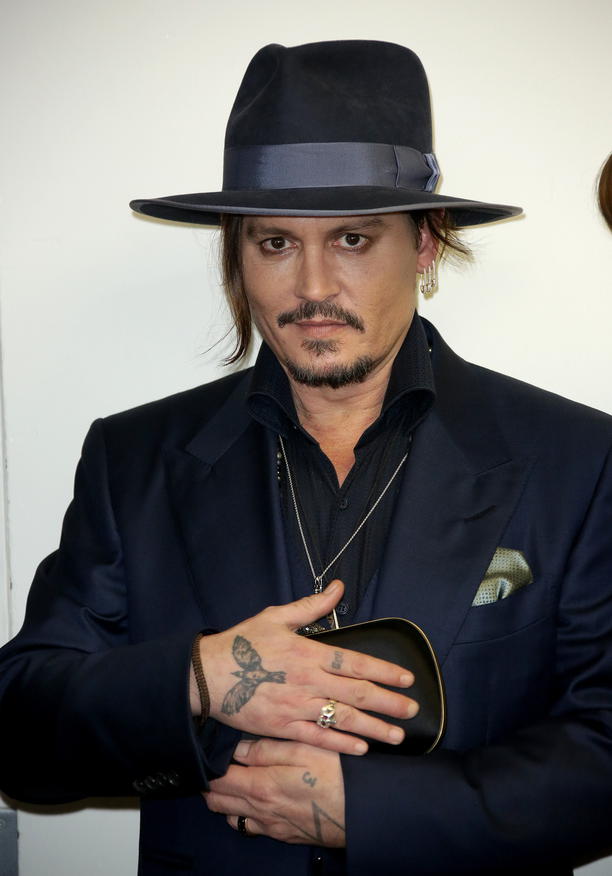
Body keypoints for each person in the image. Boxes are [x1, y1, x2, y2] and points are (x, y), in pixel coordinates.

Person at [2, 39, 612, 876]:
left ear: (426, 242)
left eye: (353, 239)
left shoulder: (576, 459)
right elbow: (21, 736)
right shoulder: (134, 458)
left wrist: (373, 815)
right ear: (238, 253)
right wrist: (199, 677)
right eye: (276, 244)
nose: (313, 287)